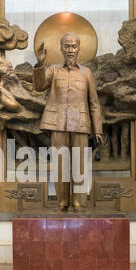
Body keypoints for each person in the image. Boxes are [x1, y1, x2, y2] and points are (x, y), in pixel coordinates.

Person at [33, 32, 103, 211]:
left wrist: (98, 130)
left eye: (74, 46)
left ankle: (79, 201)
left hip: (80, 123)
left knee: (80, 165)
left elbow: (94, 103)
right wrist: (40, 65)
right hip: (58, 123)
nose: (71, 50)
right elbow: (39, 85)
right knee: (60, 164)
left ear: (79, 48)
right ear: (61, 49)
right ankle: (62, 201)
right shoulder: (53, 70)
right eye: (67, 46)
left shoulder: (86, 73)